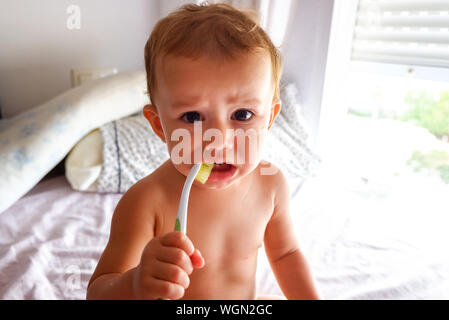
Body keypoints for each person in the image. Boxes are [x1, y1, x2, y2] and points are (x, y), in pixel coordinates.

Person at [87, 2, 319, 300]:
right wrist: (133, 284)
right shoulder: (146, 202)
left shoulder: (271, 185)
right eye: (193, 117)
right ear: (159, 126)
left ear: (271, 118)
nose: (219, 140)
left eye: (243, 115)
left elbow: (286, 254)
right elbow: (97, 293)